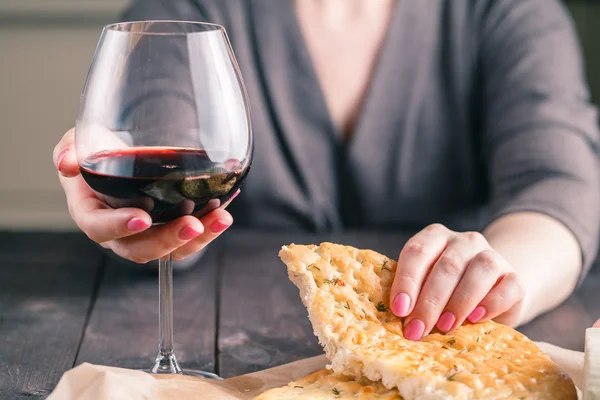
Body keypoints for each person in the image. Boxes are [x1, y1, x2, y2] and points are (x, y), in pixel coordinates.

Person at [53, 0, 600, 341]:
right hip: (220, 341)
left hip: (439, 333)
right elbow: (162, 149)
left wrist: (497, 275)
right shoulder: (184, 8)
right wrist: (133, 217)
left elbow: (559, 184)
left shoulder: (507, 11)